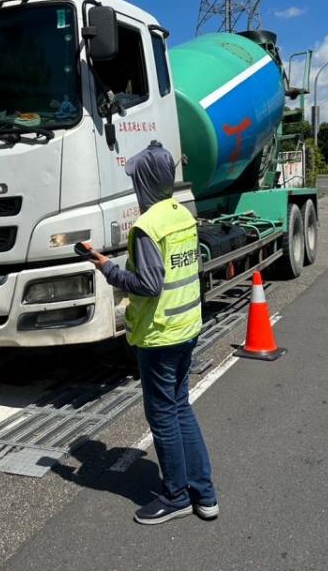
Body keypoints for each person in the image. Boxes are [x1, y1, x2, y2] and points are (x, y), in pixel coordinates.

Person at [85, 141, 217, 525]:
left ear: (144, 180)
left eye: (135, 177)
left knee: (163, 415)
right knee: (181, 409)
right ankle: (204, 495)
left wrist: (107, 267)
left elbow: (147, 284)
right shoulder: (181, 214)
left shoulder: (147, 226)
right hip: (186, 326)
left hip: (159, 335)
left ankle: (176, 496)